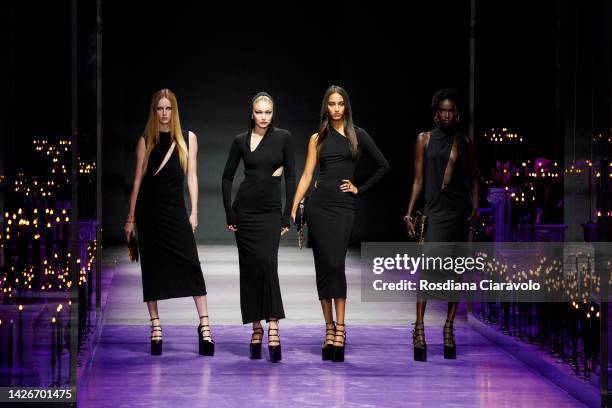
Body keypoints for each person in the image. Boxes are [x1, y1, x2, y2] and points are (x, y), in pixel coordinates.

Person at [291, 85, 390, 362]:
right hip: (318, 206)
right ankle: (329, 329)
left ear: (346, 107)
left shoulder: (357, 135)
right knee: (323, 266)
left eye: (340, 104)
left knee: (336, 265)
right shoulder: (317, 138)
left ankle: (341, 329)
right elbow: (308, 174)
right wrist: (293, 204)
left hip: (344, 208)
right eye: (331, 104)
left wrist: (360, 188)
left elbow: (384, 167)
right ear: (326, 107)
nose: (336, 108)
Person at [124, 88, 214, 356]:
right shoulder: (146, 140)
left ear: (175, 111)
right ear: (154, 112)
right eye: (159, 109)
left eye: (168, 108)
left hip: (176, 211)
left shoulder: (188, 139)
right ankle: (155, 327)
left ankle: (205, 327)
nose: (164, 113)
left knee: (191, 265)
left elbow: (192, 177)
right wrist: (130, 218)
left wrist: (194, 211)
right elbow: (138, 181)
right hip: (149, 214)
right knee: (151, 269)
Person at [404, 88, 478, 361]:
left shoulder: (464, 142)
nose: (447, 114)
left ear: (456, 115)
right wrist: (409, 213)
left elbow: (474, 177)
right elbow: (418, 180)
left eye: (452, 111)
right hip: (434, 211)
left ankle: (449, 329)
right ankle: (419, 329)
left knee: (454, 272)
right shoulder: (423, 139)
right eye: (443, 110)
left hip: (458, 211)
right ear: (436, 114)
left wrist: (474, 206)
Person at [222, 92, 295, 362]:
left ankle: (273, 324)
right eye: (259, 112)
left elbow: (291, 176)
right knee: (250, 268)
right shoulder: (240, 141)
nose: (263, 117)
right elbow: (227, 176)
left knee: (268, 265)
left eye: (268, 112)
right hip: (245, 212)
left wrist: (286, 215)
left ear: (273, 113)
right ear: (251, 113)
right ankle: (256, 327)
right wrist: (230, 212)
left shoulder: (283, 138)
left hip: (269, 213)